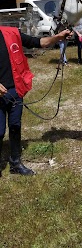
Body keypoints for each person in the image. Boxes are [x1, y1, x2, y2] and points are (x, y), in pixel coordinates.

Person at [0, 26, 72, 176]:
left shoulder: (11, 33)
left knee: (15, 126)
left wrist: (58, 37)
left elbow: (39, 42)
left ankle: (15, 163)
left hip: (15, 90)